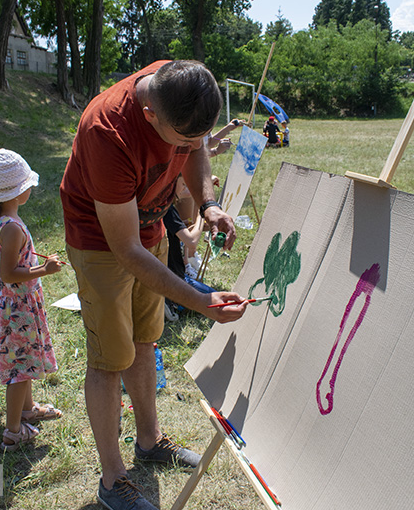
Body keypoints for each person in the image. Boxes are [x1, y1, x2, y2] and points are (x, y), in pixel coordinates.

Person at [60, 60, 248, 510]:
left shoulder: (182, 86)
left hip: (148, 231)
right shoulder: (107, 129)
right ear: (150, 116)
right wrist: (200, 299)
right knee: (109, 359)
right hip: (102, 241)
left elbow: (198, 147)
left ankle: (149, 441)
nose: (187, 147)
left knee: (145, 342)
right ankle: (112, 480)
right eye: (179, 139)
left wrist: (208, 204)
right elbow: (124, 250)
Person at [0, 148, 63, 451]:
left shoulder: (4, 220)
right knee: (18, 371)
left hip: (15, 306)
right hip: (16, 309)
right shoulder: (12, 227)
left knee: (24, 362)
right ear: (18, 191)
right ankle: (13, 430)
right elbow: (9, 273)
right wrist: (46, 268)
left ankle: (28, 410)